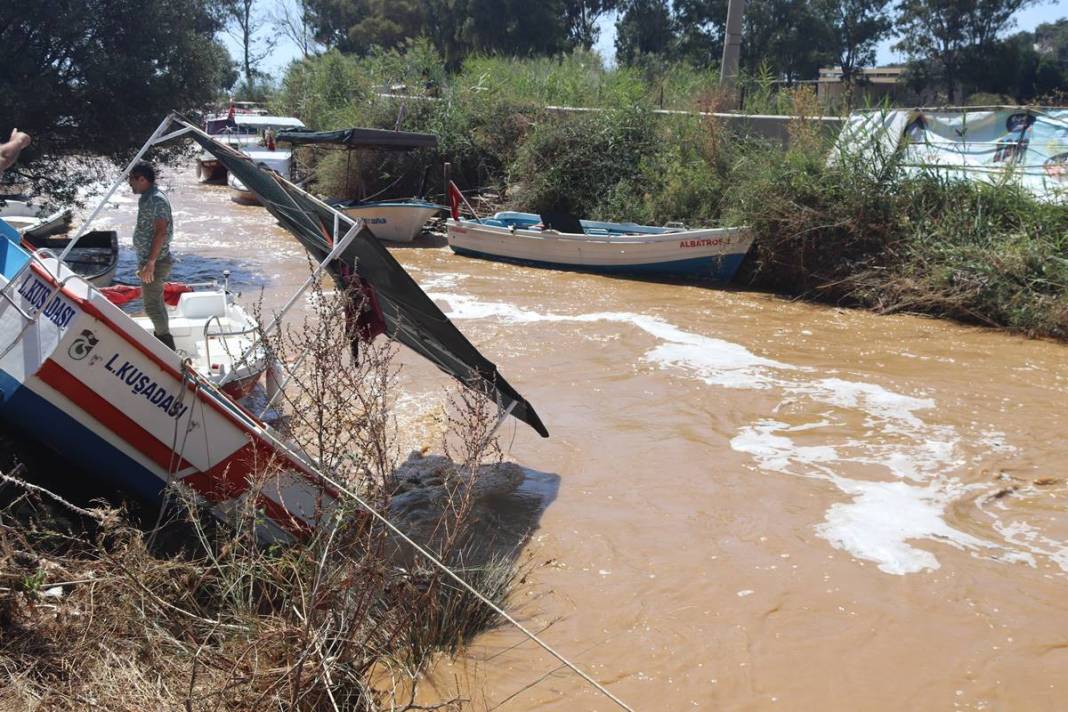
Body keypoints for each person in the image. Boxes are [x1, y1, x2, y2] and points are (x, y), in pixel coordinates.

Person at [127, 162, 175, 350]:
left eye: (131, 180)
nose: (129, 184)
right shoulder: (147, 198)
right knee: (155, 303)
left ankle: (167, 348)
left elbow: (161, 232)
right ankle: (164, 341)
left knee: (152, 306)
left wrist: (151, 263)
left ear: (142, 179)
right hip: (149, 260)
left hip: (156, 261)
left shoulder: (156, 200)